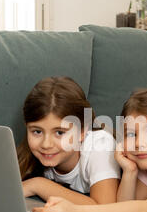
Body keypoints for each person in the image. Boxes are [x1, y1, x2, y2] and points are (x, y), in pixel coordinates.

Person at [18, 76, 120, 205]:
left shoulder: (100, 145)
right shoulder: (31, 154)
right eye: (37, 131)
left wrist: (38, 185)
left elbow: (105, 207)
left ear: (82, 132)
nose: (46, 144)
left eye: (60, 132)